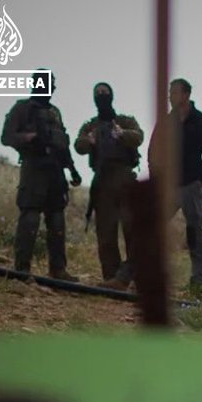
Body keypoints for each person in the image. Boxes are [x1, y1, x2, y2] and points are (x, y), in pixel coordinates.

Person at [0, 68, 82, 280]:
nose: (48, 88)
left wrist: (72, 169)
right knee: (30, 218)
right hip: (34, 168)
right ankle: (22, 268)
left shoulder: (55, 112)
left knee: (57, 221)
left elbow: (63, 144)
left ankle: (58, 269)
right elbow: (7, 136)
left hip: (55, 170)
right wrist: (28, 138)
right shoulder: (22, 108)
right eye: (44, 83)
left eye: (50, 84)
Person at [149, 76, 202, 291]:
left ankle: (198, 281)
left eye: (174, 92)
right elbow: (153, 153)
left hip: (191, 187)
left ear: (186, 95)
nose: (170, 97)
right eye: (169, 93)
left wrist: (201, 181)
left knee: (196, 233)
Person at [74, 82, 144, 290]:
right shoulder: (91, 126)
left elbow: (138, 137)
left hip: (124, 178)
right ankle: (112, 279)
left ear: (112, 95)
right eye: (97, 93)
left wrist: (121, 134)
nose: (101, 96)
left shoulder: (125, 121)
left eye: (105, 92)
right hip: (102, 180)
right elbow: (79, 146)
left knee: (133, 230)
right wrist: (90, 140)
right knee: (105, 233)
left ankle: (133, 276)